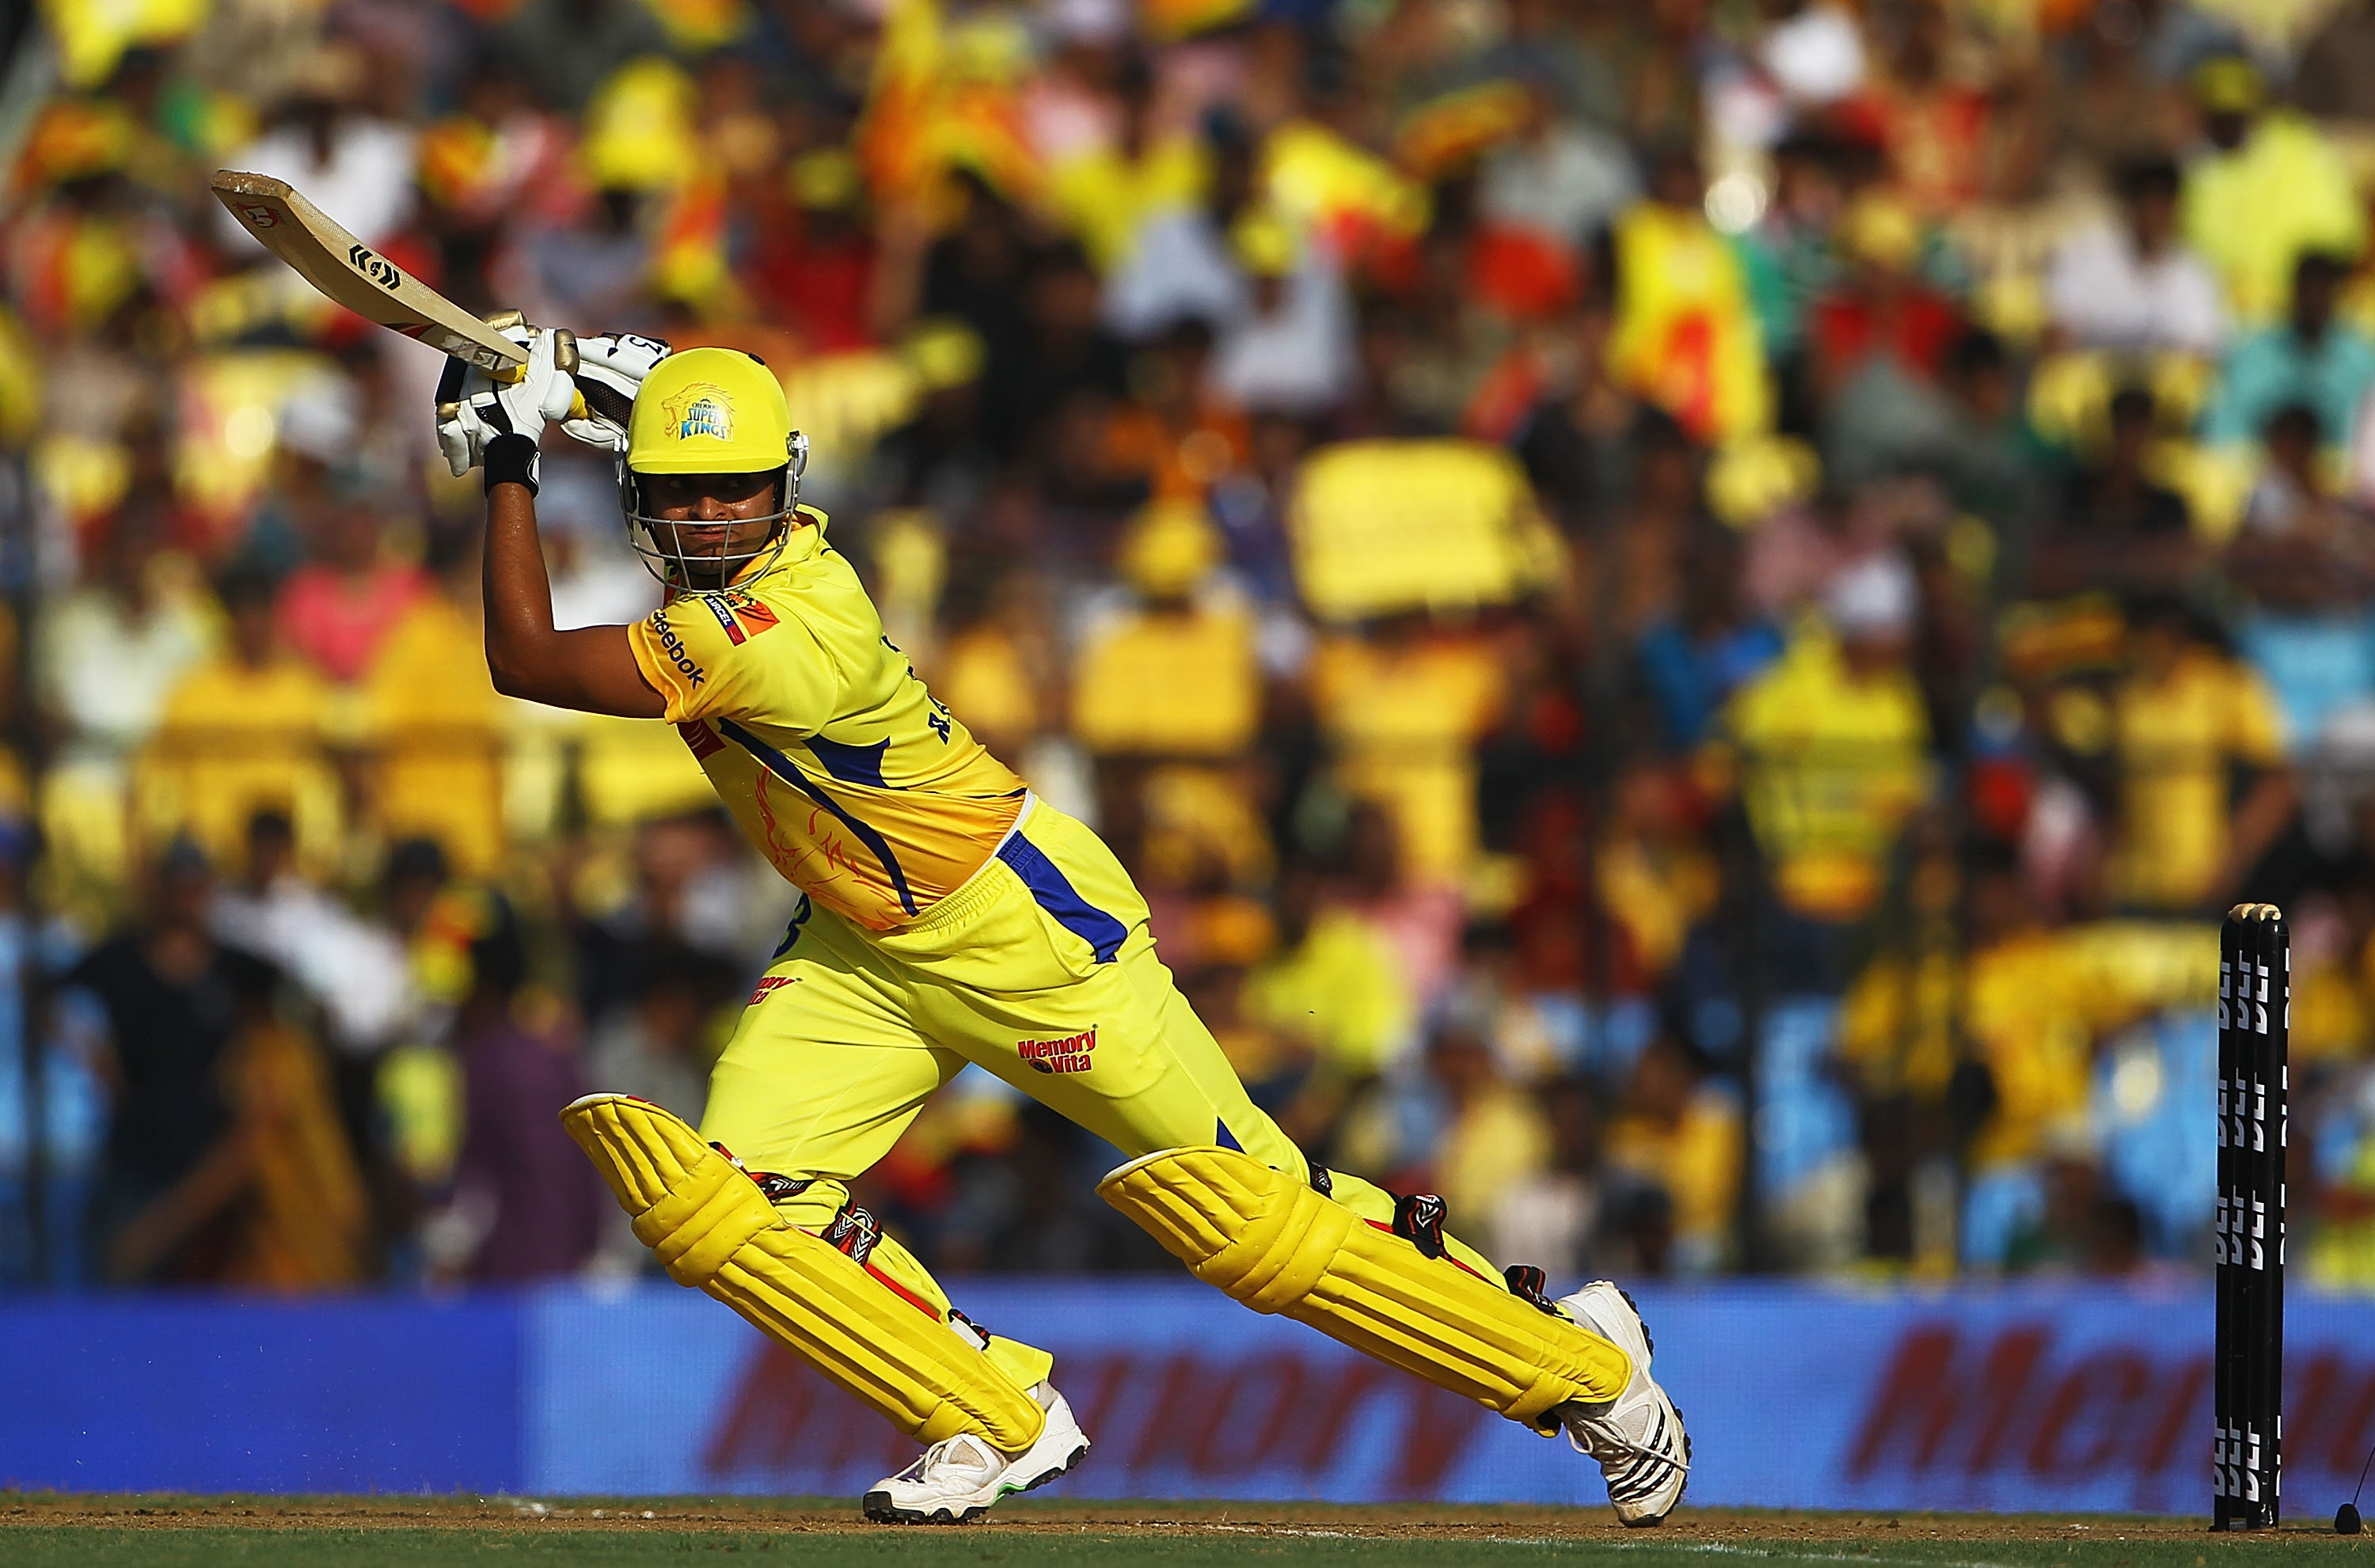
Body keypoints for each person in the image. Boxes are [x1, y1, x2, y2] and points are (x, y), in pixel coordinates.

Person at [431, 332, 1690, 1524]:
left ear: (784, 489)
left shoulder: (780, 630)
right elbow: (661, 509)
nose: (707, 518)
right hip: (863, 949)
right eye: (681, 494)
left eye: (732, 493)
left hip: (1017, 929)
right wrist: (583, 419)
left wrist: (509, 465)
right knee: (723, 1206)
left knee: (1256, 1219)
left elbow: (528, 660)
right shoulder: (729, 587)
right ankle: (989, 1412)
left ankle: (1584, 1369)